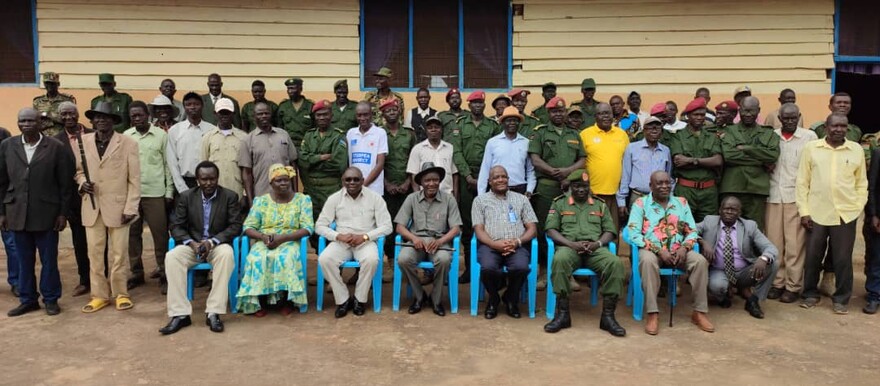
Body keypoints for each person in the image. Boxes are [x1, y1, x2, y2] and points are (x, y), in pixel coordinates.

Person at [0, 108, 74, 317]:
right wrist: (2, 213)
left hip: (47, 214)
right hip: (17, 213)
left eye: (30, 121)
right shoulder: (7, 146)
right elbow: (2, 182)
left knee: (49, 260)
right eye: (22, 121)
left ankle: (51, 299)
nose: (26, 124)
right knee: (23, 260)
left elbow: (64, 185)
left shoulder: (56, 147)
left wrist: (62, 214)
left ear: (40, 123)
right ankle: (28, 299)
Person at [626, 171, 713, 335]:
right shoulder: (640, 204)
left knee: (700, 261)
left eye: (668, 182)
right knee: (647, 261)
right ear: (651, 186)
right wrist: (659, 251)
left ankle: (699, 312)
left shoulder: (681, 202)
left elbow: (692, 231)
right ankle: (652, 313)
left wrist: (684, 248)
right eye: (659, 183)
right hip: (652, 250)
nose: (664, 186)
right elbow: (634, 234)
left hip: (679, 250)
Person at [160, 161, 242, 335]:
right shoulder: (186, 197)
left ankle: (214, 312)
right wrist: (191, 243)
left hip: (216, 245)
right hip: (193, 245)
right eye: (204, 179)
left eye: (212, 179)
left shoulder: (229, 196)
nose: (208, 183)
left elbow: (235, 226)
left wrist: (212, 242)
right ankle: (180, 314)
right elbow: (176, 226)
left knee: (227, 254)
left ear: (217, 178)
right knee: (172, 256)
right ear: (197, 179)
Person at [797, 113, 867, 314]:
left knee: (843, 258)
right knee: (812, 256)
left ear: (847, 128)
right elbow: (803, 181)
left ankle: (841, 298)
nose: (839, 129)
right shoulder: (812, 148)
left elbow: (861, 182)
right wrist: (804, 211)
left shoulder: (855, 150)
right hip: (816, 212)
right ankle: (810, 293)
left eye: (843, 126)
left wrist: (858, 206)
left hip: (846, 213)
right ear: (826, 127)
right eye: (835, 125)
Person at [543, 170, 626, 336]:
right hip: (569, 248)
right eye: (577, 186)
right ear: (570, 186)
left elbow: (610, 230)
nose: (581, 190)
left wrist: (598, 244)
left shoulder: (599, 204)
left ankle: (608, 317)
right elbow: (551, 230)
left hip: (595, 250)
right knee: (559, 260)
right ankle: (563, 314)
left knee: (615, 263)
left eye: (584, 186)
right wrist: (571, 244)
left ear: (589, 187)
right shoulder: (560, 203)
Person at [77, 102, 141, 314]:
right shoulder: (83, 141)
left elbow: (134, 179)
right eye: (97, 117)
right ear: (92, 120)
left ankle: (121, 293)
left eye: (106, 117)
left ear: (113, 120)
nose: (101, 120)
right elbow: (78, 171)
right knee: (94, 254)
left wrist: (131, 207)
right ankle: (99, 295)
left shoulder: (128, 143)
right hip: (92, 207)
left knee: (119, 254)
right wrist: (81, 183)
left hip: (119, 207)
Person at [236, 164, 313, 316]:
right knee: (256, 258)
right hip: (265, 239)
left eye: (286, 180)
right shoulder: (261, 201)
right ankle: (260, 300)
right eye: (278, 181)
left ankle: (287, 301)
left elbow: (308, 227)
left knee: (286, 257)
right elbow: (248, 226)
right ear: (271, 183)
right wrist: (263, 237)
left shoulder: (302, 200)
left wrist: (283, 238)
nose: (283, 183)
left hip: (291, 239)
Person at [316, 167, 393, 318]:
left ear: (363, 181)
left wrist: (365, 237)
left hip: (365, 241)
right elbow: (319, 226)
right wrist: (338, 236)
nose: (352, 182)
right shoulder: (334, 199)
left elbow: (387, 226)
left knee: (371, 260)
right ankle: (343, 299)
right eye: (348, 179)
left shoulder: (375, 198)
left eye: (356, 179)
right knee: (325, 259)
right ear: (342, 181)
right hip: (342, 242)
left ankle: (359, 299)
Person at [528, 97, 586, 290]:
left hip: (568, 188)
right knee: (544, 228)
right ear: (548, 113)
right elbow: (535, 159)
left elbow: (582, 160)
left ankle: (567, 272)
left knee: (568, 227)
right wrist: (553, 171)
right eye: (554, 111)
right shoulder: (541, 133)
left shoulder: (574, 134)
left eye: (561, 111)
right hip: (546, 187)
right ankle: (544, 271)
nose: (558, 114)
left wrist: (567, 172)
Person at [446, 91, 500, 283]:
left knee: (490, 222)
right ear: (468, 105)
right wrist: (468, 176)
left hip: (488, 179)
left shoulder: (493, 126)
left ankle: (489, 267)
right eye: (474, 103)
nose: (477, 106)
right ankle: (469, 269)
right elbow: (456, 152)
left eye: (480, 103)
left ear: (484, 105)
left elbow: (496, 152)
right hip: (466, 178)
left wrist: (485, 179)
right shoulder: (460, 125)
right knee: (468, 226)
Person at [395, 163, 462, 316]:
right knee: (403, 259)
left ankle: (436, 299)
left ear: (439, 181)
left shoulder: (449, 199)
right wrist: (413, 238)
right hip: (416, 242)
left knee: (444, 260)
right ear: (421, 183)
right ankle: (419, 296)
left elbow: (456, 228)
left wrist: (439, 241)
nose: (432, 183)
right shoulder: (411, 198)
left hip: (439, 242)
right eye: (427, 180)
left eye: (435, 180)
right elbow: (400, 227)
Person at [472, 166, 538, 319]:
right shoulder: (480, 201)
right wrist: (494, 244)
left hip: (516, 245)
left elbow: (532, 228)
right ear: (489, 181)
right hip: (490, 245)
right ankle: (493, 298)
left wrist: (517, 242)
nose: (500, 179)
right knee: (488, 268)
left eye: (503, 176)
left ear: (508, 179)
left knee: (521, 267)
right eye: (496, 177)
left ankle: (510, 297)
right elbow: (479, 229)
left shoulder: (521, 199)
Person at [766, 103, 816, 303]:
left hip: (796, 198)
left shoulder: (809, 138)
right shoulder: (771, 136)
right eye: (785, 118)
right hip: (772, 197)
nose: (789, 121)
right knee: (775, 243)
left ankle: (793, 286)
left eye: (793, 118)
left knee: (795, 245)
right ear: (779, 117)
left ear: (799, 116)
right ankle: (777, 283)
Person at [699, 196, 779, 319]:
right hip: (718, 270)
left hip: (744, 272)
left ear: (739, 212)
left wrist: (764, 258)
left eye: (734, 209)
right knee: (717, 287)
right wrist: (703, 242)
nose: (729, 212)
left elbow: (770, 247)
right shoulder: (709, 221)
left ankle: (754, 300)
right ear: (720, 210)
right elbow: (689, 230)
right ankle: (724, 294)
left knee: (773, 264)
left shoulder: (749, 226)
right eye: (726, 209)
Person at [123, 101, 173, 292]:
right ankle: (137, 273)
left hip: (155, 193)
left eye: (140, 115)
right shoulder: (126, 137)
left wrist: (169, 192)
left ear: (147, 115)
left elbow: (168, 165)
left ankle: (164, 273)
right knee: (132, 235)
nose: (137, 118)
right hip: (132, 195)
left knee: (160, 235)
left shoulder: (161, 136)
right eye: (133, 116)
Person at [719, 96, 780, 231]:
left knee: (754, 229)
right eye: (744, 111)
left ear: (758, 110)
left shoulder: (768, 133)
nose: (748, 114)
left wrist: (747, 149)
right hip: (733, 186)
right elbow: (729, 156)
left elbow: (772, 156)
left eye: (751, 111)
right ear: (739, 110)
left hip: (757, 189)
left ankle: (752, 253)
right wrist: (760, 160)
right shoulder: (729, 131)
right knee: (729, 227)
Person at [52, 102, 93, 297]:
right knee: (79, 242)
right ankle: (85, 280)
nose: (68, 117)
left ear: (78, 115)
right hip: (73, 199)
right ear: (60, 117)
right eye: (64, 114)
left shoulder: (93, 134)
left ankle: (101, 278)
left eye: (72, 113)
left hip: (96, 195)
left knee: (99, 241)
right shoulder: (56, 141)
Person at [668, 98, 724, 223]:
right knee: (682, 226)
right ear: (688, 116)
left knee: (709, 227)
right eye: (696, 114)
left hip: (709, 192)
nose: (699, 117)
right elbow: (679, 161)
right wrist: (706, 162)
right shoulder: (678, 136)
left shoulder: (712, 136)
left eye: (702, 115)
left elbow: (718, 161)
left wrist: (692, 161)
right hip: (685, 190)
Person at [579, 102, 629, 232]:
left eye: (608, 113)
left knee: (612, 231)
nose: (605, 116)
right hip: (592, 193)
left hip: (615, 195)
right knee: (591, 231)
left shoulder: (622, 135)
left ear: (613, 115)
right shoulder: (585, 134)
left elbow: (628, 163)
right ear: (595, 117)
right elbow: (580, 163)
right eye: (601, 114)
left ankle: (612, 253)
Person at [298, 99, 348, 226]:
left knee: (332, 223)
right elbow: (302, 160)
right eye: (318, 115)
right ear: (314, 117)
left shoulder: (338, 136)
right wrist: (321, 158)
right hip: (312, 190)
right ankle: (315, 247)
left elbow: (338, 164)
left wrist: (312, 161)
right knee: (313, 223)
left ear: (331, 115)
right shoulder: (309, 136)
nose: (322, 118)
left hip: (331, 189)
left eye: (325, 114)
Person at [381, 98, 416, 277]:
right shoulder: (379, 134)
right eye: (388, 111)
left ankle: (407, 260)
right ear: (383, 114)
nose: (392, 113)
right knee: (388, 224)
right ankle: (392, 260)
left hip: (405, 187)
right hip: (385, 188)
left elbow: (413, 158)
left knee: (406, 224)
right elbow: (378, 162)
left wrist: (408, 183)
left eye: (395, 110)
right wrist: (386, 183)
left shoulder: (409, 134)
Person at [240, 102, 299, 201]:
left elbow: (293, 166)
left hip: (286, 194)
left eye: (266, 113)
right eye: (260, 114)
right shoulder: (248, 140)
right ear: (254, 117)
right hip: (262, 195)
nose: (264, 116)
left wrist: (296, 194)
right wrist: (251, 202)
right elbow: (247, 174)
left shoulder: (284, 135)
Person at [617, 116, 672, 222]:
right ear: (644, 130)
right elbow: (625, 176)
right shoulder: (632, 148)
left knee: (658, 231)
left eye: (657, 127)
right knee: (635, 230)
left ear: (661, 131)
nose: (654, 130)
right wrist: (621, 202)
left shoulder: (666, 150)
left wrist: (670, 198)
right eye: (650, 127)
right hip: (638, 197)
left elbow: (669, 176)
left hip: (659, 199)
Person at [167, 92, 218, 194]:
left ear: (202, 106)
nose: (193, 107)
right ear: (184, 107)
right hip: (184, 182)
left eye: (196, 104)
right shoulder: (175, 130)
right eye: (188, 104)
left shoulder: (212, 130)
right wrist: (181, 188)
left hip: (208, 183)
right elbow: (172, 161)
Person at [477, 106, 536, 196]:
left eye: (515, 120)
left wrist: (529, 190)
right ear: (503, 123)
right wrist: (481, 194)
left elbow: (530, 170)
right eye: (508, 120)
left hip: (520, 190)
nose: (512, 123)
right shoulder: (492, 142)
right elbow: (485, 169)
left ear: (519, 123)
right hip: (497, 189)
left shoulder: (526, 143)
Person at [201, 98, 247, 200]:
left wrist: (245, 194)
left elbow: (247, 169)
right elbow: (203, 167)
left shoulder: (243, 138)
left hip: (236, 191)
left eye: (227, 112)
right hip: (214, 193)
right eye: (221, 113)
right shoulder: (207, 137)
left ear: (233, 114)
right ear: (215, 114)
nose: (224, 116)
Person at [406, 115, 458, 196]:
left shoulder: (450, 148)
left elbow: (455, 174)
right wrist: (417, 196)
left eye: (436, 127)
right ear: (426, 131)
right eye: (430, 128)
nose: (433, 129)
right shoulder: (417, 149)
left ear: (441, 130)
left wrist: (455, 196)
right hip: (425, 196)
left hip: (447, 195)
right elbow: (413, 174)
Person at [348, 101, 389, 195]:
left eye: (365, 115)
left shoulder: (380, 133)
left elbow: (380, 164)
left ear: (371, 115)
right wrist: (355, 186)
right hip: (353, 188)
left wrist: (362, 185)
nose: (362, 118)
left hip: (374, 189)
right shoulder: (351, 133)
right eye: (359, 115)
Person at [277, 77, 314, 153]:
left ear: (300, 88)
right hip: (287, 146)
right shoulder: (283, 106)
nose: (290, 91)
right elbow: (279, 128)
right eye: (288, 89)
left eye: (293, 88)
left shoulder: (310, 106)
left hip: (306, 147)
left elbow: (315, 128)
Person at [33, 72, 76, 137]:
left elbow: (69, 120)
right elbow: (36, 120)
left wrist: (47, 115)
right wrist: (55, 120)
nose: (49, 86)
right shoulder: (38, 101)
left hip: (62, 136)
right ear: (44, 84)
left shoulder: (67, 100)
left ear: (58, 84)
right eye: (47, 83)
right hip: (43, 137)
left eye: (52, 83)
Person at [864, 147, 880, 314]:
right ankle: (874, 295)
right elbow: (872, 186)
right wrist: (873, 214)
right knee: (877, 258)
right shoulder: (878, 153)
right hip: (879, 217)